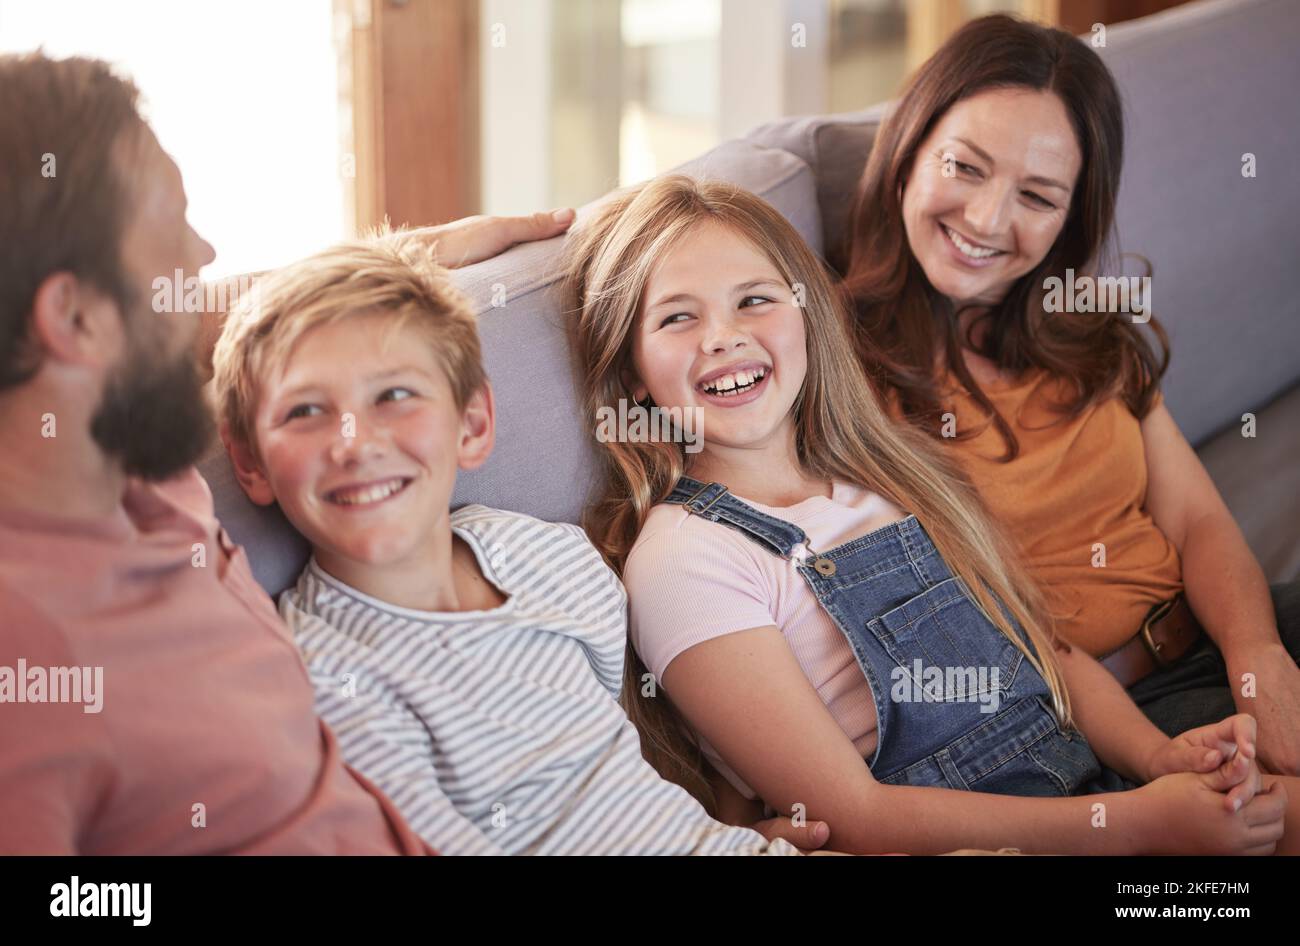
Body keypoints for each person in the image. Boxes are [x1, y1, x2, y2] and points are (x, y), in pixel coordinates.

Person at [565, 173, 1294, 854]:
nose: (721, 336)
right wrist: (1139, 825)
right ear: (631, 369)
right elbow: (856, 816)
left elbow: (1045, 651)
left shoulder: (886, 475)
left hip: (1089, 786)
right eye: (676, 317)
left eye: (754, 299)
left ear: (807, 315)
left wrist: (1159, 758)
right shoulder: (683, 560)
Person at [0, 51, 572, 854]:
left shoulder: (124, 444)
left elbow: (223, 314)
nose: (202, 258)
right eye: (172, 228)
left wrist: (410, 256)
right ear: (76, 319)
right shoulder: (28, 654)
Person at [209, 233, 804, 855]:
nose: (355, 443)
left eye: (394, 396)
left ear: (471, 424)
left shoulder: (548, 557)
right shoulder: (323, 678)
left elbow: (620, 767)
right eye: (304, 411)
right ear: (249, 462)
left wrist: (730, 831)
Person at [838, 14, 1300, 773]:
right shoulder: (837, 370)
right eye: (965, 166)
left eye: (1038, 196)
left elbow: (1196, 518)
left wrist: (1261, 664)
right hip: (1102, 724)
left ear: (1070, 219)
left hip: (1225, 636)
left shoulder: (1085, 334)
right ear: (908, 150)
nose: (987, 219)